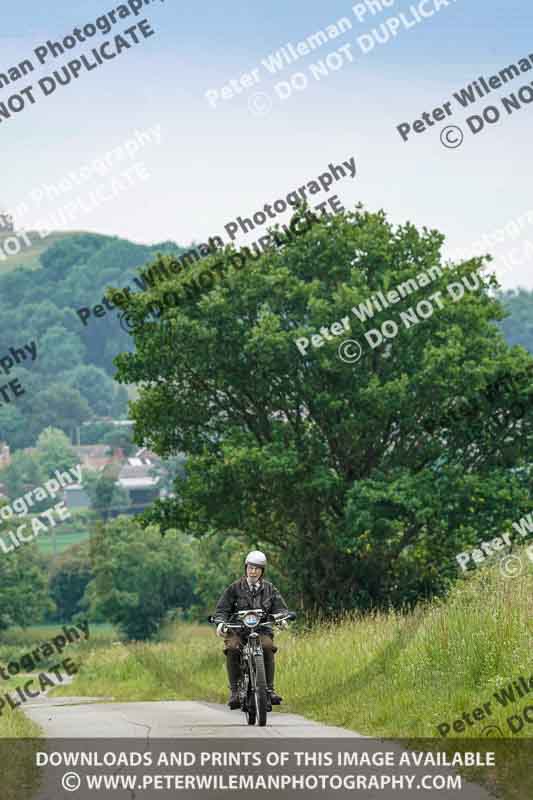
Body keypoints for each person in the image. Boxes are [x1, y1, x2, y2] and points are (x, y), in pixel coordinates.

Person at [214, 550, 288, 709]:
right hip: (238, 631)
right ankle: (235, 692)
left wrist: (281, 618)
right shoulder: (234, 588)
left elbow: (280, 608)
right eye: (250, 568)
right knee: (232, 647)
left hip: (261, 630)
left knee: (267, 646)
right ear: (245, 568)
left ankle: (269, 690)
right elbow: (222, 610)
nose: (253, 571)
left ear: (262, 571)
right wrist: (220, 622)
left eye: (257, 568)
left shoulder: (270, 589)